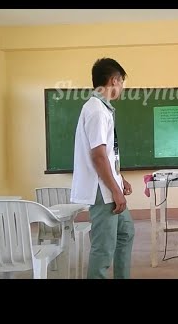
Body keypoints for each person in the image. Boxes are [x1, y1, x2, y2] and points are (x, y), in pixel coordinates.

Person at [70, 58, 135, 279]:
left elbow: (108, 153)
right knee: (103, 248)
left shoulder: (104, 109)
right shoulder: (96, 110)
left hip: (110, 184)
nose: (122, 88)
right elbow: (98, 156)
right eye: (121, 82)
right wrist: (115, 190)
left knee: (125, 233)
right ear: (114, 80)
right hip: (102, 190)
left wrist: (120, 178)